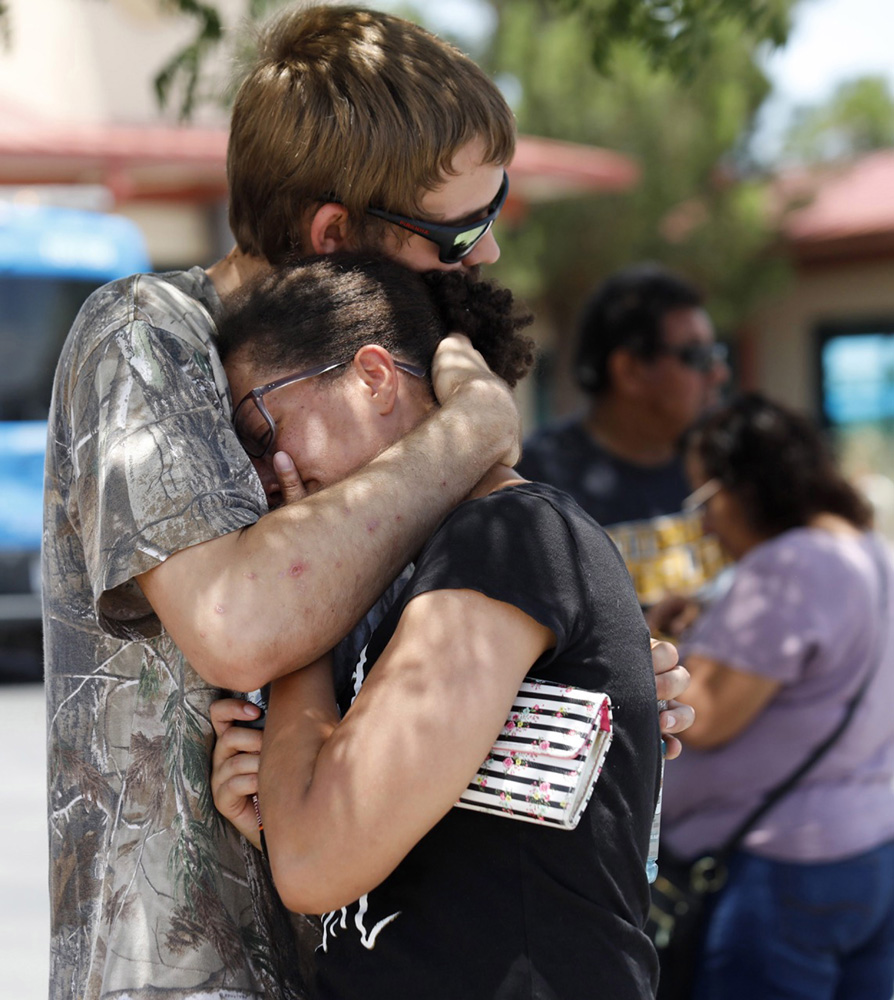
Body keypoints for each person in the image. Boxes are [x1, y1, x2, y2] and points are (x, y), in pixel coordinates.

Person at [42, 6, 690, 1000]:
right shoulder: (151, 333)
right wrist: (469, 432)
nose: (487, 257)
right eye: (458, 230)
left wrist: (592, 696)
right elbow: (238, 622)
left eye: (496, 210)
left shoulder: (382, 419)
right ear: (335, 234)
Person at [210, 253, 671, 1000]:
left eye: (262, 430)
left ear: (373, 376)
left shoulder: (508, 537)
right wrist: (282, 792)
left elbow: (316, 863)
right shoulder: (421, 574)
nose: (263, 475)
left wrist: (295, 617)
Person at [647, 393, 894, 1000]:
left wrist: (647, 635)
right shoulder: (866, 549)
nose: (703, 522)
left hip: (780, 869)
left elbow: (702, 715)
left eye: (703, 498)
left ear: (747, 486)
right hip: (864, 850)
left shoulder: (789, 567)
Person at [518, 263, 730, 606]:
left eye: (717, 354)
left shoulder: (726, 463)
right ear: (630, 371)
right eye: (698, 356)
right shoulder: (536, 486)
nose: (719, 373)